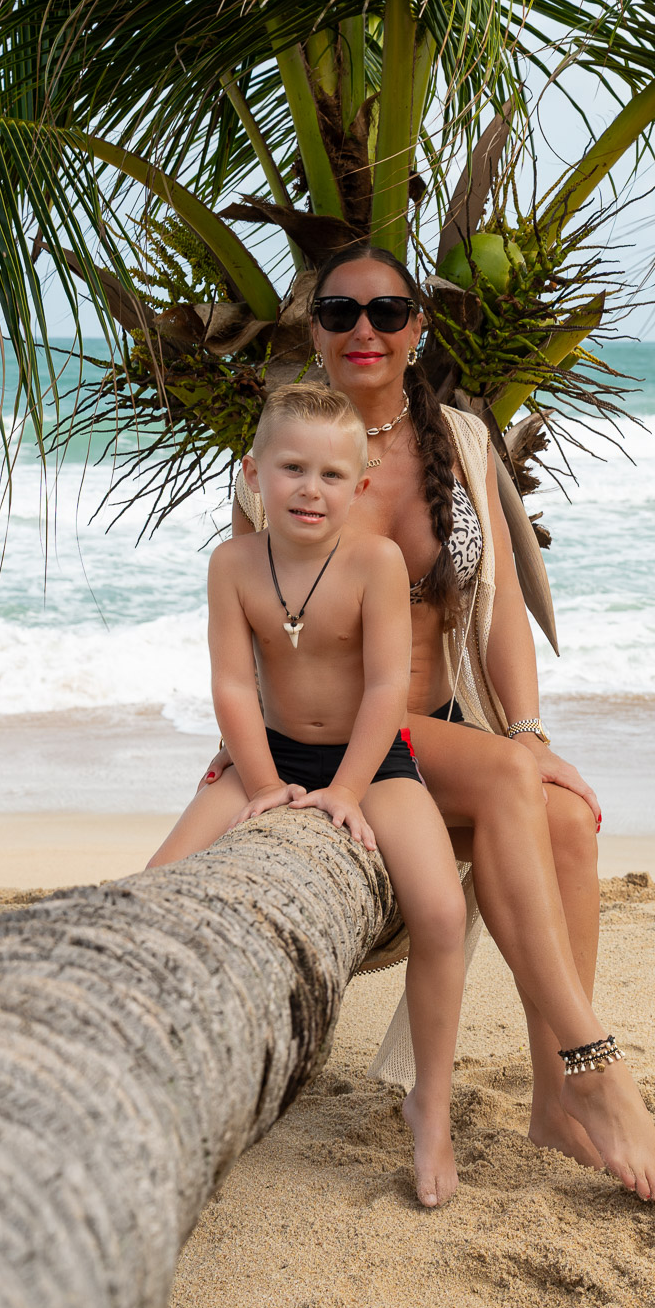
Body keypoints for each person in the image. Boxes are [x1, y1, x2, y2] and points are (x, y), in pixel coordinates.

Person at [215, 245, 655, 1204]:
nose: (364, 332)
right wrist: (244, 751)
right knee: (525, 793)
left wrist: (529, 729)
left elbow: (501, 606)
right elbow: (255, 610)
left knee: (560, 809)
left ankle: (556, 1099)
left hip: (442, 722)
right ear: (315, 329)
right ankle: (592, 1063)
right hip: (350, 738)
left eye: (388, 313)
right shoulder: (288, 449)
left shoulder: (461, 442)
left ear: (419, 327)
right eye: (340, 313)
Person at [146, 383, 468, 1209]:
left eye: (330, 474)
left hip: (375, 759)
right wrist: (260, 785)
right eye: (291, 468)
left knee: (436, 913)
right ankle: (165, 1076)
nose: (309, 489)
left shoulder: (375, 563)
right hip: (269, 753)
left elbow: (387, 688)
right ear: (253, 474)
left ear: (359, 487)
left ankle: (428, 1098)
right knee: (152, 889)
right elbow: (229, 685)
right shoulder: (232, 565)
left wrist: (348, 792)